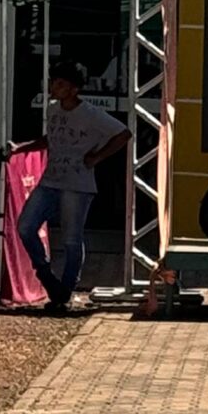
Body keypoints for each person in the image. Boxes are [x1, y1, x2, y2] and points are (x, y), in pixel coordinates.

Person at [17, 67, 127, 309]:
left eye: (60, 84)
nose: (54, 88)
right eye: (53, 83)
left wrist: (96, 157)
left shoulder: (91, 114)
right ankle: (45, 274)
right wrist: (25, 147)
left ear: (74, 89)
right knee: (25, 225)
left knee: (71, 237)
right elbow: (52, 138)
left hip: (77, 183)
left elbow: (122, 133)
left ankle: (65, 289)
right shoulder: (53, 109)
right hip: (51, 179)